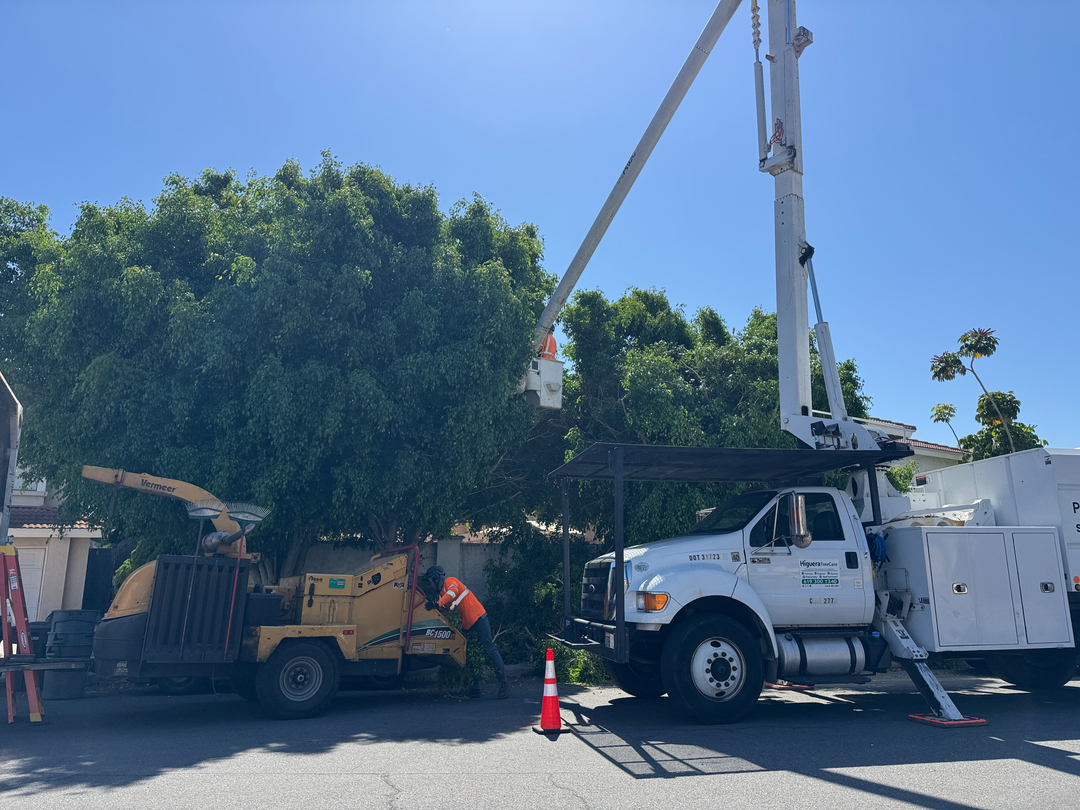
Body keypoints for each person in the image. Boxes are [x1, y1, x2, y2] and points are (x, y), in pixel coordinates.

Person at [424, 565, 507, 699]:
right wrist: (436, 609)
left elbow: (453, 592)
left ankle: (503, 684)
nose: (429, 585)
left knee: (489, 649)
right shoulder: (441, 595)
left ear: (435, 578)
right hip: (467, 625)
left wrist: (438, 604)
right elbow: (446, 611)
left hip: (478, 618)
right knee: (469, 653)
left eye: (429, 582)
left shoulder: (450, 582)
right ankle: (475, 688)